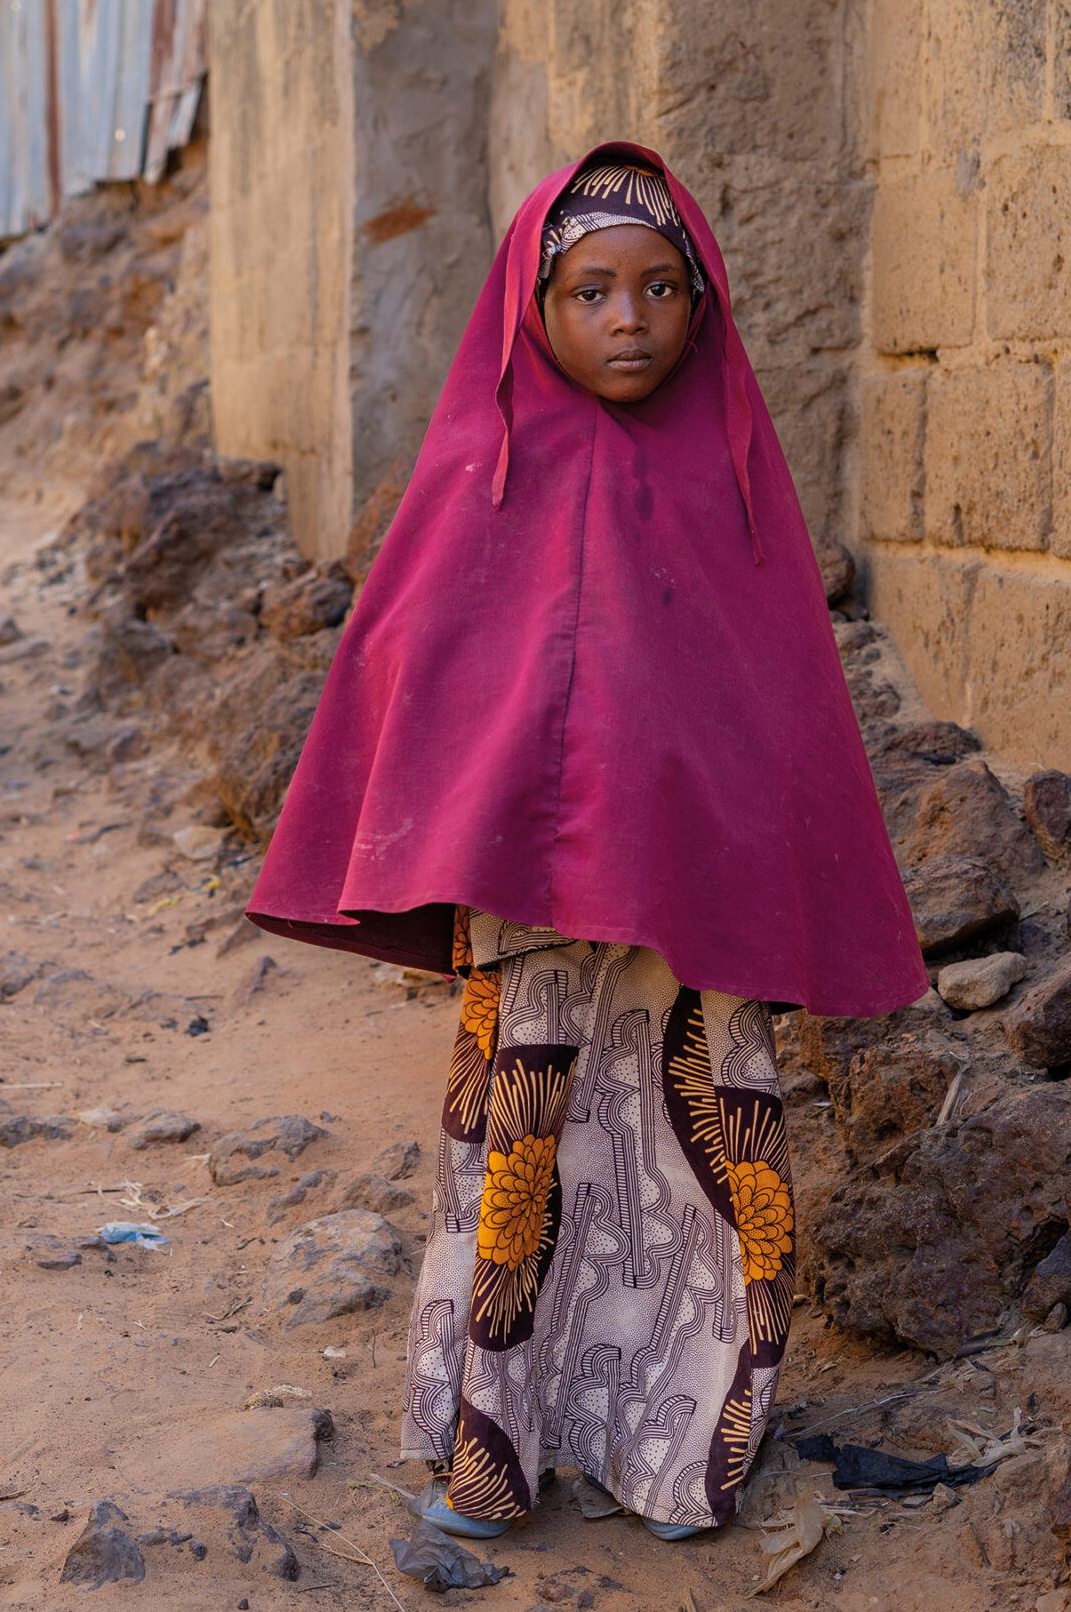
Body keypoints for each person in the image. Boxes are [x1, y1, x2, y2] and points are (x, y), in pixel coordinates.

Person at [246, 146, 926, 1541]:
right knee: (525, 1155)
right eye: (594, 289)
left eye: (661, 287)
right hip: (536, 914)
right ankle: (496, 1442)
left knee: (709, 1162)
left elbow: (776, 698)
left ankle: (690, 1445)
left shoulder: (730, 478)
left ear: (702, 302)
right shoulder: (481, 463)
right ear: (534, 305)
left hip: (698, 919)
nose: (630, 318)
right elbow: (421, 663)